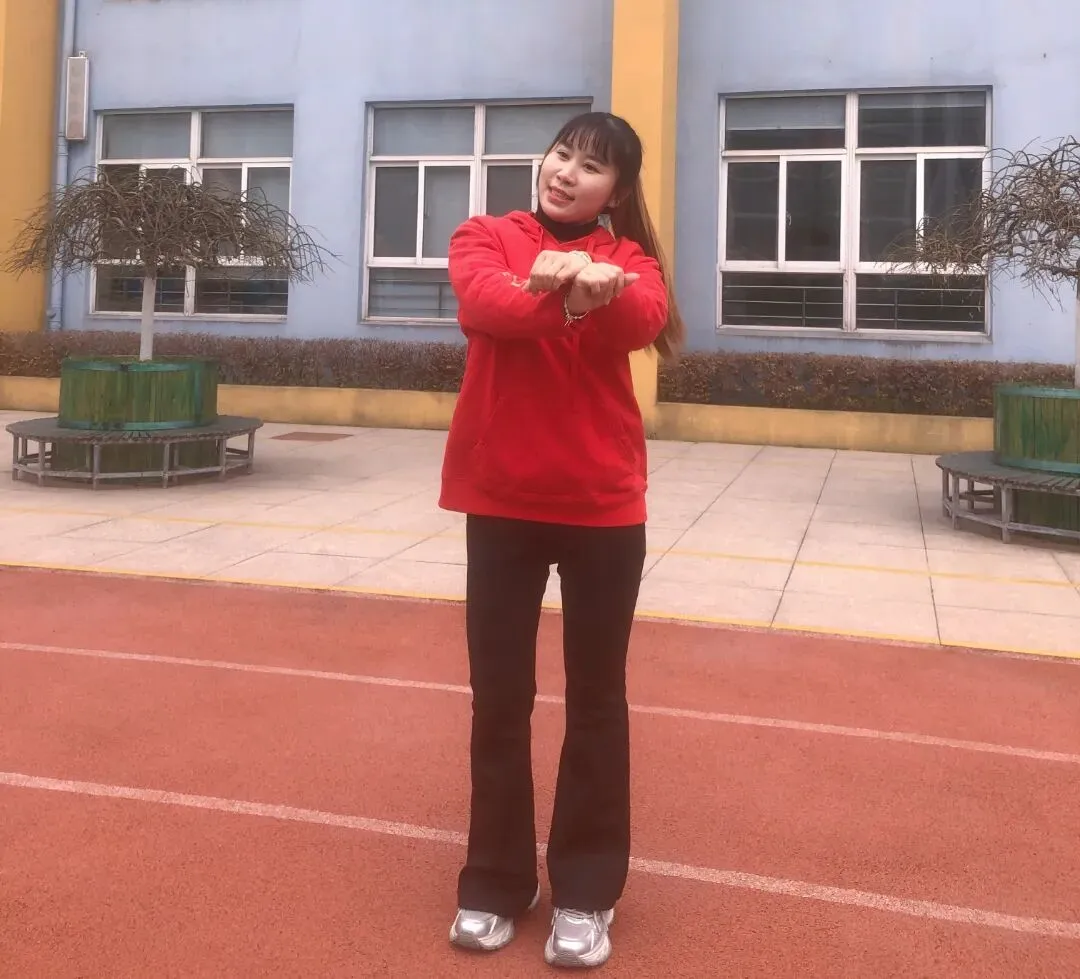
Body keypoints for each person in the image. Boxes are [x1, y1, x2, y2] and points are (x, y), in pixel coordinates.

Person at [441, 110, 685, 969]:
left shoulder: (632, 261)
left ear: (616, 191)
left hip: (602, 506)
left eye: (592, 166)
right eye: (562, 155)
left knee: (597, 700)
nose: (568, 172)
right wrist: (562, 294)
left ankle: (586, 889)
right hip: (502, 499)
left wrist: (590, 288)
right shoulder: (484, 235)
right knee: (499, 698)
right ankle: (495, 880)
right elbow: (488, 306)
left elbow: (641, 319)